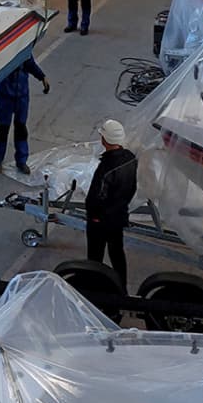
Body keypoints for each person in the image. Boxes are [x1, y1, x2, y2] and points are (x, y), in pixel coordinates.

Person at [84, 119, 137, 286]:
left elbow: (95, 198)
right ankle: (122, 288)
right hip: (119, 215)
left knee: (95, 257)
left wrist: (93, 216)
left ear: (104, 140)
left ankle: (94, 290)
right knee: (117, 253)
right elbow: (132, 188)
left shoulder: (106, 168)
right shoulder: (130, 158)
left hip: (100, 221)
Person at [0, 55, 50, 175]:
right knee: (2, 128)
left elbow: (29, 62)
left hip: (21, 95)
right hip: (4, 95)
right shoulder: (3, 51)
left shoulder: (23, 48)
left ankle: (21, 161)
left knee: (21, 128)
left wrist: (42, 76)